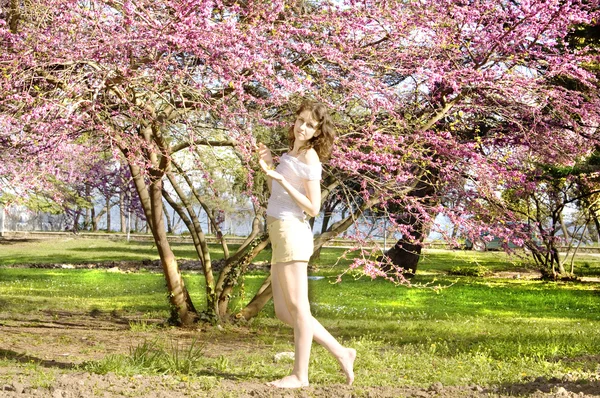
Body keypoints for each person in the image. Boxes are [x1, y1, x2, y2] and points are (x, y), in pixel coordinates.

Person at [257, 100, 356, 389]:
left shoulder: (310, 158)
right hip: (279, 231)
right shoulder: (293, 151)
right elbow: (279, 191)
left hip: (292, 233)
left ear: (317, 132)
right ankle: (341, 351)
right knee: (283, 312)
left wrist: (283, 180)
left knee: (299, 308)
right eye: (300, 120)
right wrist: (270, 164)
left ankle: (300, 375)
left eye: (310, 125)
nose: (302, 127)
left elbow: (313, 208)